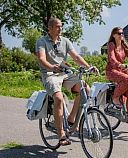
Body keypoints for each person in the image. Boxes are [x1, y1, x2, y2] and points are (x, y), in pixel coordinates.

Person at [36, 17, 93, 146]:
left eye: (61, 26)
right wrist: (52, 67)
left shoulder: (65, 41)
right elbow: (41, 59)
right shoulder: (42, 41)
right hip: (50, 74)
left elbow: (76, 57)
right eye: (57, 26)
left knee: (85, 88)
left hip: (65, 74)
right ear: (49, 28)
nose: (60, 28)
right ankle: (61, 134)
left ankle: (72, 119)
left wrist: (89, 67)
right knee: (59, 98)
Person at [106, 27, 128, 127]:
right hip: (112, 70)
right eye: (119, 33)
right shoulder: (111, 45)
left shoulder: (124, 46)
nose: (121, 35)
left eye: (122, 33)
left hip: (122, 71)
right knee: (127, 79)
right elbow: (112, 58)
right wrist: (118, 64)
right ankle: (115, 97)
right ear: (114, 35)